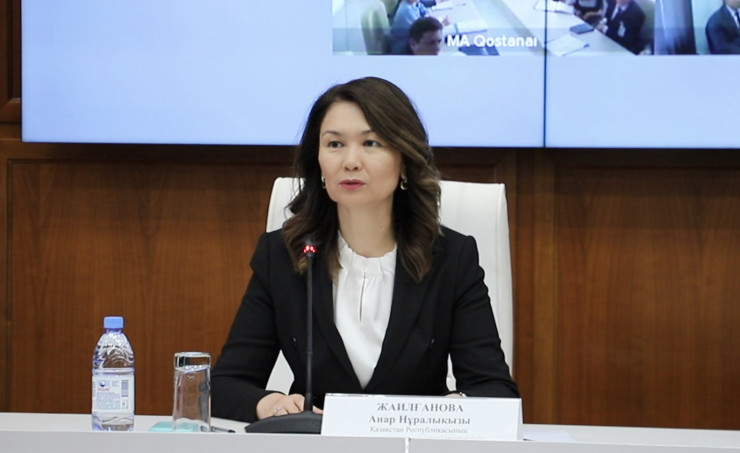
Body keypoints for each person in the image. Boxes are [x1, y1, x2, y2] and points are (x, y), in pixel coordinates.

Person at [211, 77, 519, 423]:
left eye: (371, 143)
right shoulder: (284, 254)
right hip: (316, 445)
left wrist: (455, 408)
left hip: (413, 444)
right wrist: (270, 404)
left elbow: (495, 391)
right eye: (335, 144)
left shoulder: (451, 258)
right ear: (318, 162)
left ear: (404, 160)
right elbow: (225, 386)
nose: (350, 161)